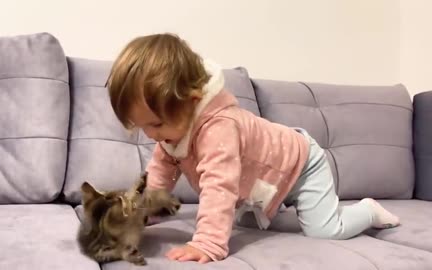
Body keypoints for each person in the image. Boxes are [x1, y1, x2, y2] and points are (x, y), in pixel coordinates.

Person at [105, 33, 400, 263]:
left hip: (302, 164)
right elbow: (156, 183)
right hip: (263, 180)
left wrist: (207, 243)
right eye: (141, 126)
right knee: (249, 224)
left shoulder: (219, 127)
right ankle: (278, 207)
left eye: (155, 125)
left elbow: (219, 186)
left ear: (192, 101)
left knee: (325, 230)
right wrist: (137, 218)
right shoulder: (171, 136)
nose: (151, 135)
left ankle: (368, 211)